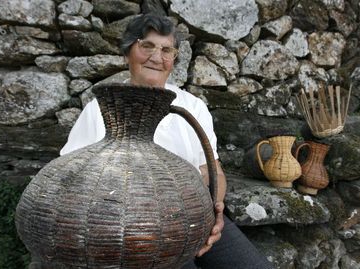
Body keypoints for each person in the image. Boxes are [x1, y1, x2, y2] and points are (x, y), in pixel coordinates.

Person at [60, 13, 273, 269]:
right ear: (127, 52)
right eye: (146, 46)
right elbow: (71, 179)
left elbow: (213, 170)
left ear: (173, 59)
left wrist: (216, 214)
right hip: (135, 232)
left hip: (198, 217)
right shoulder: (98, 110)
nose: (156, 57)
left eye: (166, 50)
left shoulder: (193, 107)